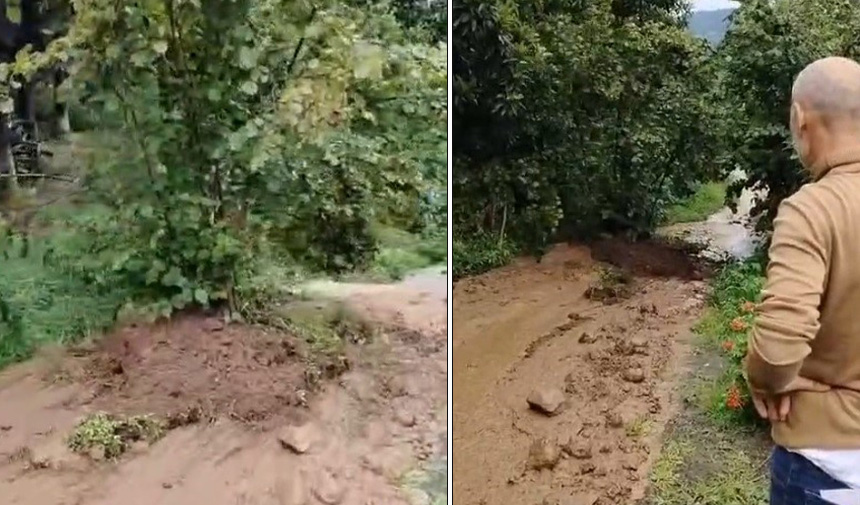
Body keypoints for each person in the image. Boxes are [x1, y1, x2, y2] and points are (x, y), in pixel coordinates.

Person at [745, 56, 860, 504]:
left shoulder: (812, 209)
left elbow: (777, 348)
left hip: (825, 465)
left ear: (799, 119)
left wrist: (767, 378)